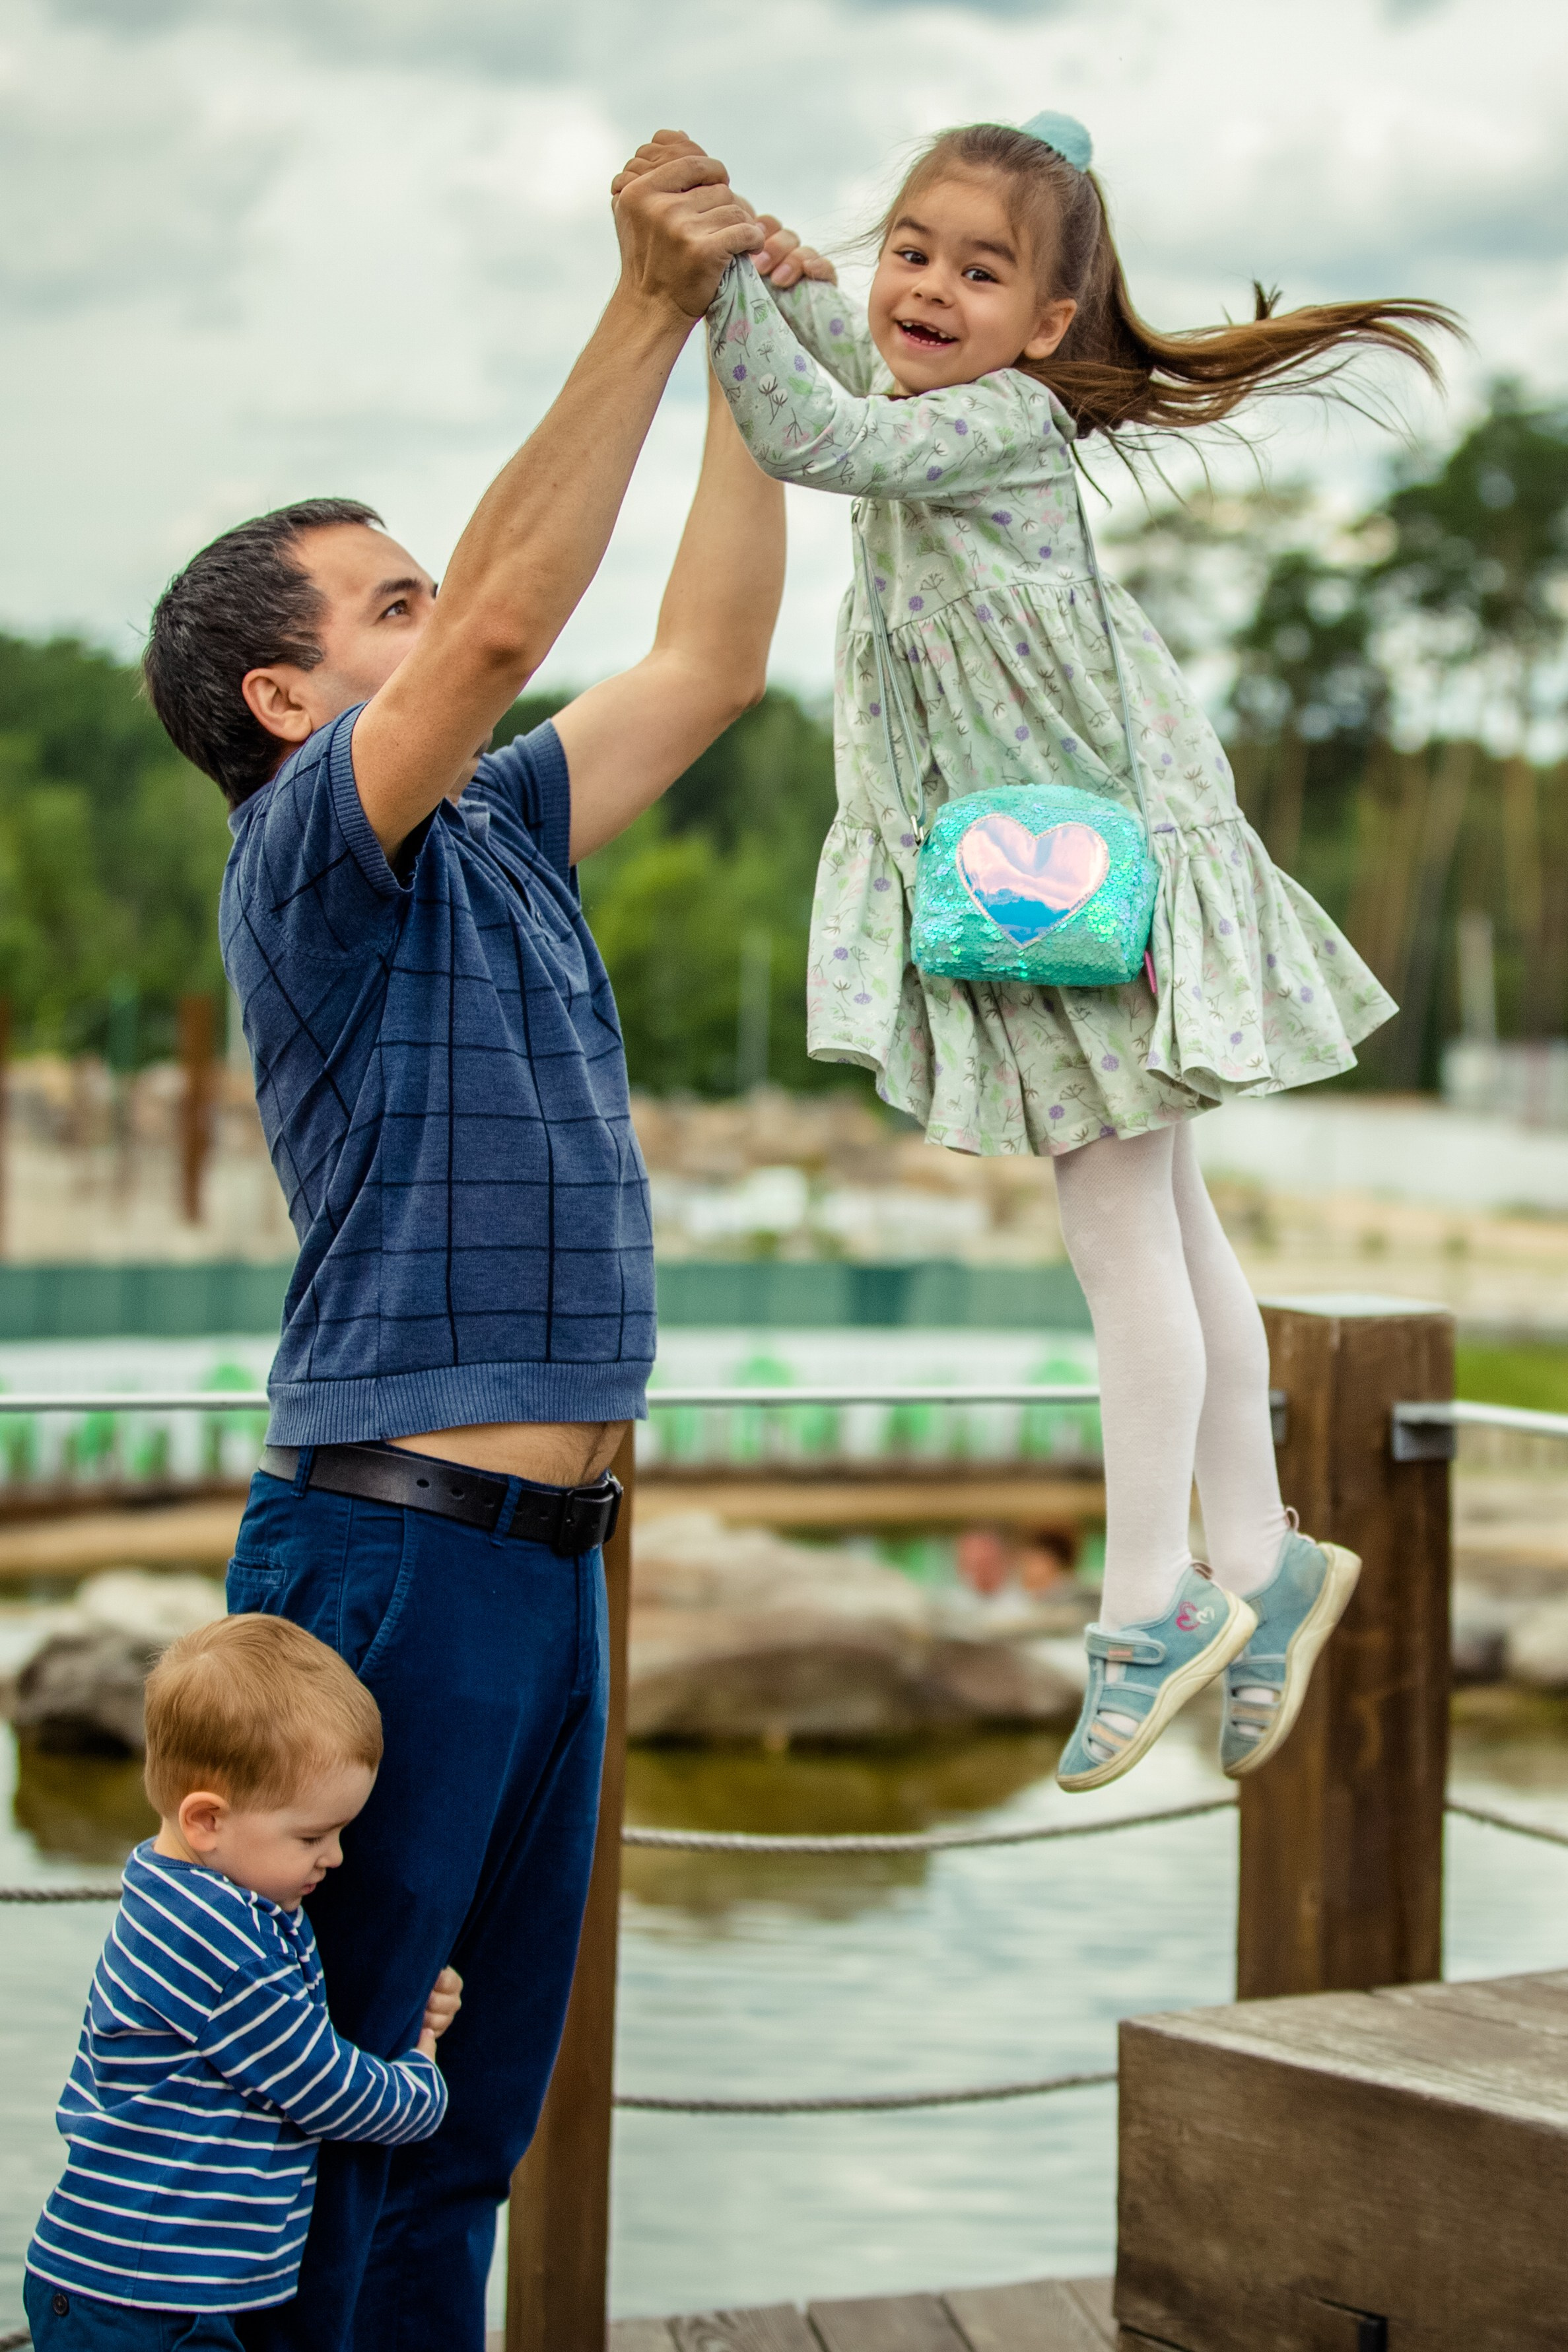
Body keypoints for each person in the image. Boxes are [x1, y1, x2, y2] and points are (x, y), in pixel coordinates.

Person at [139, 141, 800, 2351]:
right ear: (285, 703)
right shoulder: (302, 858)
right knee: (330, 2126)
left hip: (541, 1567)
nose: (453, 624)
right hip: (393, 1557)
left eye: (430, 592)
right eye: (388, 606)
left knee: (460, 2116)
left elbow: (702, 659)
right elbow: (523, 611)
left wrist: (748, 355)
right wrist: (634, 298)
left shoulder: (501, 825)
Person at [623, 117, 1453, 1793]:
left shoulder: (991, 425)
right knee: (1167, 1212)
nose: (927, 285)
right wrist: (782, 282)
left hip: (1074, 871)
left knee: (1112, 1235)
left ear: (1047, 325)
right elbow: (833, 392)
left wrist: (701, 287)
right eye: (909, 248)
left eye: (978, 270)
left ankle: (1145, 1604)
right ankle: (1260, 1553)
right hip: (1056, 861)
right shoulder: (936, 411)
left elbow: (805, 438)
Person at [24, 1614, 461, 2349]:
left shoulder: (210, 1902)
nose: (337, 1857)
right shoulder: (212, 1945)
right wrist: (423, 2078)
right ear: (207, 1820)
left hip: (150, 2285)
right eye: (312, 1836)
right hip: (140, 2300)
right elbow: (321, 2085)